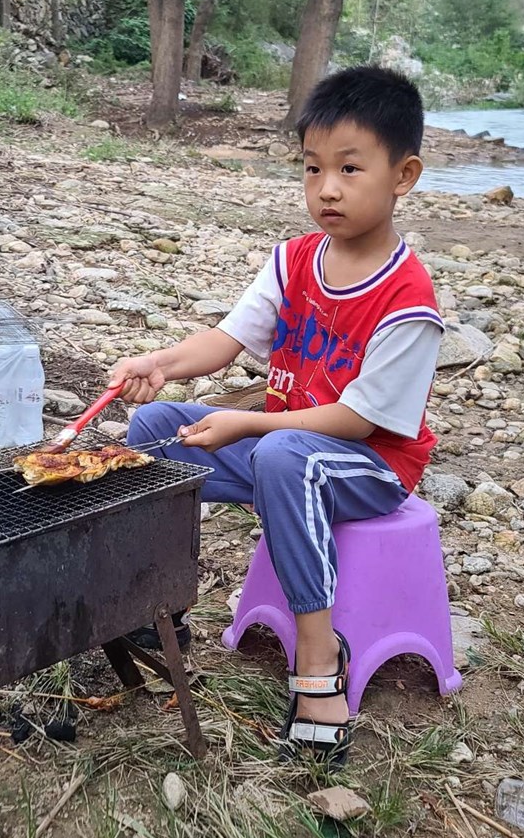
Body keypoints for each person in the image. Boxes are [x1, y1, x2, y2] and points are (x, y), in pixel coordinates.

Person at [109, 66, 443, 762]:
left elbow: (355, 422)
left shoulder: (408, 300)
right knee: (154, 430)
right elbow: (227, 340)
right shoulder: (293, 261)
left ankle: (319, 660)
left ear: (403, 175)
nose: (327, 188)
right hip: (284, 451)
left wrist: (250, 423)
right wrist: (159, 364)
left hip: (371, 467)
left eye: (350, 168)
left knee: (282, 453)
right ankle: (158, 609)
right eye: (312, 168)